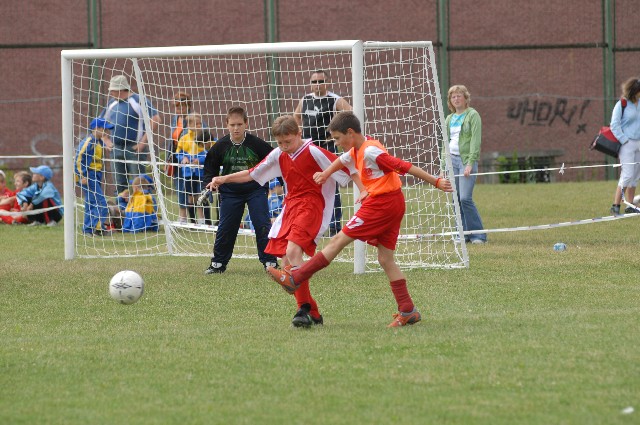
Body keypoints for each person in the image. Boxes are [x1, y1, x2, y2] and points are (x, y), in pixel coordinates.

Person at [266, 111, 454, 328]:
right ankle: (408, 310)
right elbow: (341, 161)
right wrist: (326, 174)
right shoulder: (358, 148)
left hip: (381, 204)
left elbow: (404, 166)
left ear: (350, 132)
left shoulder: (371, 151)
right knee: (385, 259)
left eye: (338, 138)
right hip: (393, 202)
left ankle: (296, 277)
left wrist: (435, 181)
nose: (336, 143)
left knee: (337, 241)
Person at [208, 115, 359, 327]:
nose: (284, 146)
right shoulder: (279, 154)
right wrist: (224, 178)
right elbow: (252, 173)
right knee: (287, 260)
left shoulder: (313, 151)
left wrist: (365, 189)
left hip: (312, 206)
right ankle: (312, 312)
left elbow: (348, 168)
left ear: (299, 134)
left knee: (293, 252)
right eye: (280, 143)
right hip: (291, 207)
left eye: (288, 141)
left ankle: (302, 309)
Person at [202, 106, 278, 274]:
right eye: (232, 125)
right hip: (230, 193)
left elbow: (276, 161)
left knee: (262, 224)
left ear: (246, 124)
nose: (236, 128)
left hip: (256, 190)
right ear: (226, 125)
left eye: (239, 124)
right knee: (226, 227)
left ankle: (270, 262)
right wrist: (208, 184)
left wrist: (284, 183)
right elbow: (209, 168)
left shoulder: (257, 144)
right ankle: (218, 263)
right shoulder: (220, 146)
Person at [294, 69, 352, 236]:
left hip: (327, 149)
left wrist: (337, 134)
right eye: (314, 81)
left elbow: (351, 114)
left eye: (321, 81)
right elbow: (296, 116)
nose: (317, 84)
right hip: (308, 149)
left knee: (331, 185)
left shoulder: (335, 100)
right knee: (307, 185)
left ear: (328, 83)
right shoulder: (305, 99)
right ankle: (309, 222)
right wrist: (299, 133)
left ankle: (334, 225)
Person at [101, 74, 161, 196]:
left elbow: (155, 119)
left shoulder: (138, 100)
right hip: (116, 149)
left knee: (138, 183)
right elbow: (99, 123)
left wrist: (143, 142)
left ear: (121, 89)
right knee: (119, 184)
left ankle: (142, 206)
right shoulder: (112, 103)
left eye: (113, 90)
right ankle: (122, 207)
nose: (110, 93)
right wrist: (106, 140)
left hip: (134, 149)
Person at [443, 84, 487, 244]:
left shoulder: (473, 115)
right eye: (453, 97)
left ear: (465, 98)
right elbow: (445, 143)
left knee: (465, 198)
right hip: (452, 161)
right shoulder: (449, 119)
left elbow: (475, 141)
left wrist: (469, 163)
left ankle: (478, 235)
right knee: (455, 199)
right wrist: (443, 166)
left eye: (459, 96)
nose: (456, 99)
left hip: (466, 161)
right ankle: (462, 234)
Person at [75, 117, 115, 235]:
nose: (106, 132)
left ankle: (90, 229)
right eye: (104, 129)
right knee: (100, 202)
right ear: (96, 128)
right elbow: (79, 158)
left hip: (96, 174)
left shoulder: (98, 141)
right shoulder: (89, 141)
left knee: (91, 202)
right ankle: (96, 228)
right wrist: (82, 176)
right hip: (88, 175)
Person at [609, 77, 640, 215]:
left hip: (639, 143)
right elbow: (614, 125)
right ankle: (615, 205)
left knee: (635, 175)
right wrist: (624, 140)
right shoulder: (622, 104)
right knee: (627, 174)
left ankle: (630, 205)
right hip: (626, 144)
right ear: (634, 91)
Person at [175, 112, 208, 224]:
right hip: (188, 173)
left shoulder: (204, 137)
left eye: (200, 123)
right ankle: (191, 220)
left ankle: (202, 219)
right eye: (196, 123)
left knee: (201, 195)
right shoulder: (184, 138)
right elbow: (178, 153)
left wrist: (200, 160)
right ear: (189, 125)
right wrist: (183, 158)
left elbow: (209, 152)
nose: (199, 126)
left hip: (201, 173)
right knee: (190, 196)